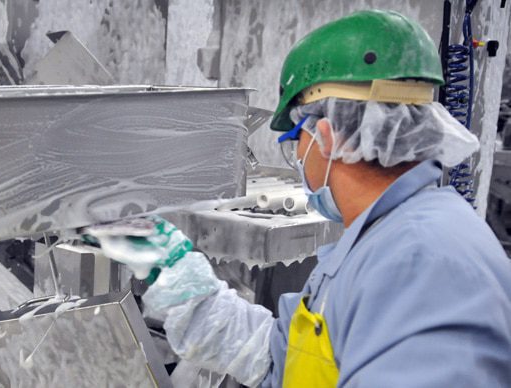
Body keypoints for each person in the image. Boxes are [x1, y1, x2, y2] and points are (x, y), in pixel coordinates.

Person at [89, 9, 511, 387]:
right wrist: (180, 276)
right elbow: (291, 360)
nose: (297, 156)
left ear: (325, 138)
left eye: (294, 139)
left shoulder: (423, 265)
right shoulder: (387, 239)